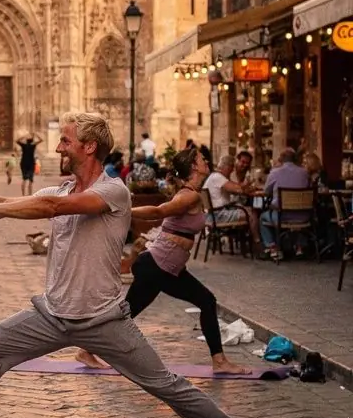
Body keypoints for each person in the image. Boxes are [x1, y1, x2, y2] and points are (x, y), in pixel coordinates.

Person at [0, 112, 268, 418]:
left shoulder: (113, 191)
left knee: (166, 384)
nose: (57, 147)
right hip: (50, 315)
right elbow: (4, 206)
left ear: (89, 146)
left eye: (65, 141)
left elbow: (50, 208)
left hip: (103, 320)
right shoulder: (62, 189)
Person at [75, 146, 252, 375]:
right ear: (193, 167)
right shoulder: (189, 195)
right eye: (200, 158)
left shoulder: (190, 193)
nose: (205, 160)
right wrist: (122, 210)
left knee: (126, 313)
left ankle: (87, 349)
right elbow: (160, 211)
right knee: (206, 301)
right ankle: (219, 361)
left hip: (164, 267)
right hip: (158, 266)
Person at [260, 146, 311, 260]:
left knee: (263, 217)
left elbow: (266, 191)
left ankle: (272, 248)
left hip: (281, 217)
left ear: (281, 159)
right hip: (304, 216)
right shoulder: (304, 173)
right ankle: (299, 247)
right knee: (297, 210)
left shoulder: (275, 173)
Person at [203, 153, 262, 252]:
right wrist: (247, 187)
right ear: (226, 166)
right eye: (231, 168)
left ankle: (250, 242)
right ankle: (257, 244)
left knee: (250, 210)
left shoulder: (214, 176)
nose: (232, 171)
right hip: (219, 215)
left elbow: (235, 188)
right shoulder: (218, 177)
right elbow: (237, 189)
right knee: (253, 214)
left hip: (213, 214)